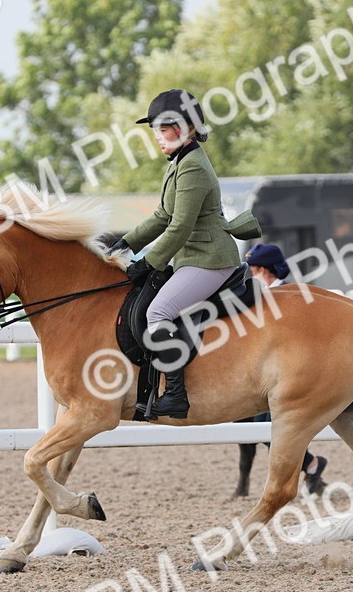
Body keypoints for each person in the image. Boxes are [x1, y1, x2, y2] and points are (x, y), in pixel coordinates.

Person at [109, 89, 261, 420]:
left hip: (209, 260)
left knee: (159, 313)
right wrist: (124, 245)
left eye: (162, 128)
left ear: (185, 127)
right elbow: (162, 217)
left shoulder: (192, 167)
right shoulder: (180, 163)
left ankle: (176, 395)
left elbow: (178, 228)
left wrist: (148, 263)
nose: (157, 137)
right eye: (155, 130)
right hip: (193, 259)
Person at [237, 243, 328, 493]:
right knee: (265, 427)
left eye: (255, 269)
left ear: (265, 270)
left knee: (270, 429)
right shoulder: (263, 296)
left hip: (288, 372)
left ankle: (311, 465)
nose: (253, 274)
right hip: (267, 374)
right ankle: (312, 467)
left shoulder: (285, 296)